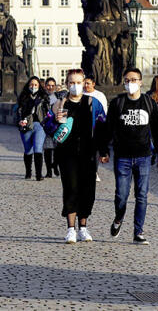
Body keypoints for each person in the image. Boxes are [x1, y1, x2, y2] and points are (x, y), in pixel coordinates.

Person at [107, 67, 158, 245]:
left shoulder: (149, 103)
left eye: (134, 80)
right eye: (127, 80)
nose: (130, 83)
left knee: (142, 195)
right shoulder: (117, 103)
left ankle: (138, 231)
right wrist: (103, 151)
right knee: (121, 196)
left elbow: (157, 131)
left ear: (141, 82)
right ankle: (119, 218)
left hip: (143, 156)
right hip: (123, 157)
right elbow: (109, 129)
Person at [52, 69, 108, 244]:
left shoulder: (93, 103)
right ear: (67, 84)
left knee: (87, 190)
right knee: (70, 188)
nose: (75, 86)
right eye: (71, 82)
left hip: (88, 153)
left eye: (78, 82)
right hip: (66, 153)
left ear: (84, 83)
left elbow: (102, 127)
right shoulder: (60, 103)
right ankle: (70, 229)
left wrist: (104, 150)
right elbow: (48, 127)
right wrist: (55, 120)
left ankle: (83, 227)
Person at [16, 77, 49, 180]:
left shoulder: (43, 97)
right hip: (26, 125)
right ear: (28, 85)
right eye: (31, 84)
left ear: (39, 86)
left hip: (39, 125)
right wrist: (19, 121)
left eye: (35, 85)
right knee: (28, 150)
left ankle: (38, 174)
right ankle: (28, 172)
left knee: (38, 148)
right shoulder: (23, 96)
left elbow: (48, 112)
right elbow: (18, 111)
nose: (33, 87)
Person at [83, 76, 108, 182]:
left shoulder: (99, 95)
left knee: (95, 151)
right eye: (84, 83)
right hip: (83, 127)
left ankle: (94, 171)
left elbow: (104, 112)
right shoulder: (81, 95)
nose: (86, 85)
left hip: (96, 127)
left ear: (93, 84)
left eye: (88, 83)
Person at [42, 77, 63, 178]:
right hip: (46, 126)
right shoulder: (42, 97)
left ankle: (55, 165)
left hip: (57, 125)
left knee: (58, 149)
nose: (50, 87)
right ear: (45, 86)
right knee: (47, 149)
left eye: (52, 85)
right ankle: (48, 171)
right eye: (48, 85)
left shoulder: (59, 98)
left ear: (55, 86)